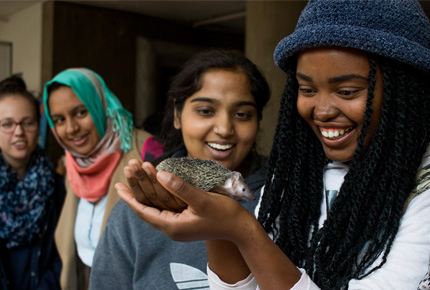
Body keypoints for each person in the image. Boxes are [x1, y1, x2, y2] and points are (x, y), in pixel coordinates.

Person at [116, 0, 430, 289]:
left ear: (405, 93)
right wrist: (219, 230)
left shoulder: (423, 194)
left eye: (346, 91)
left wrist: (242, 230)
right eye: (307, 89)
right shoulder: (294, 175)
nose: (322, 111)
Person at [89, 49, 270, 289]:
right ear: (177, 115)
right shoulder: (142, 205)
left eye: (242, 114)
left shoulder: (288, 194)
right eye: (205, 111)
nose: (225, 128)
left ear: (257, 121)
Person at [42, 68, 150, 290]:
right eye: (59, 120)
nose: (71, 128)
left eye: (81, 112)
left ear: (101, 105)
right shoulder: (73, 163)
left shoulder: (147, 152)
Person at [0, 76, 65, 289]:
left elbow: (61, 255)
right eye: (7, 124)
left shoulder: (58, 186)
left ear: (38, 127)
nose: (18, 132)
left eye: (27, 122)